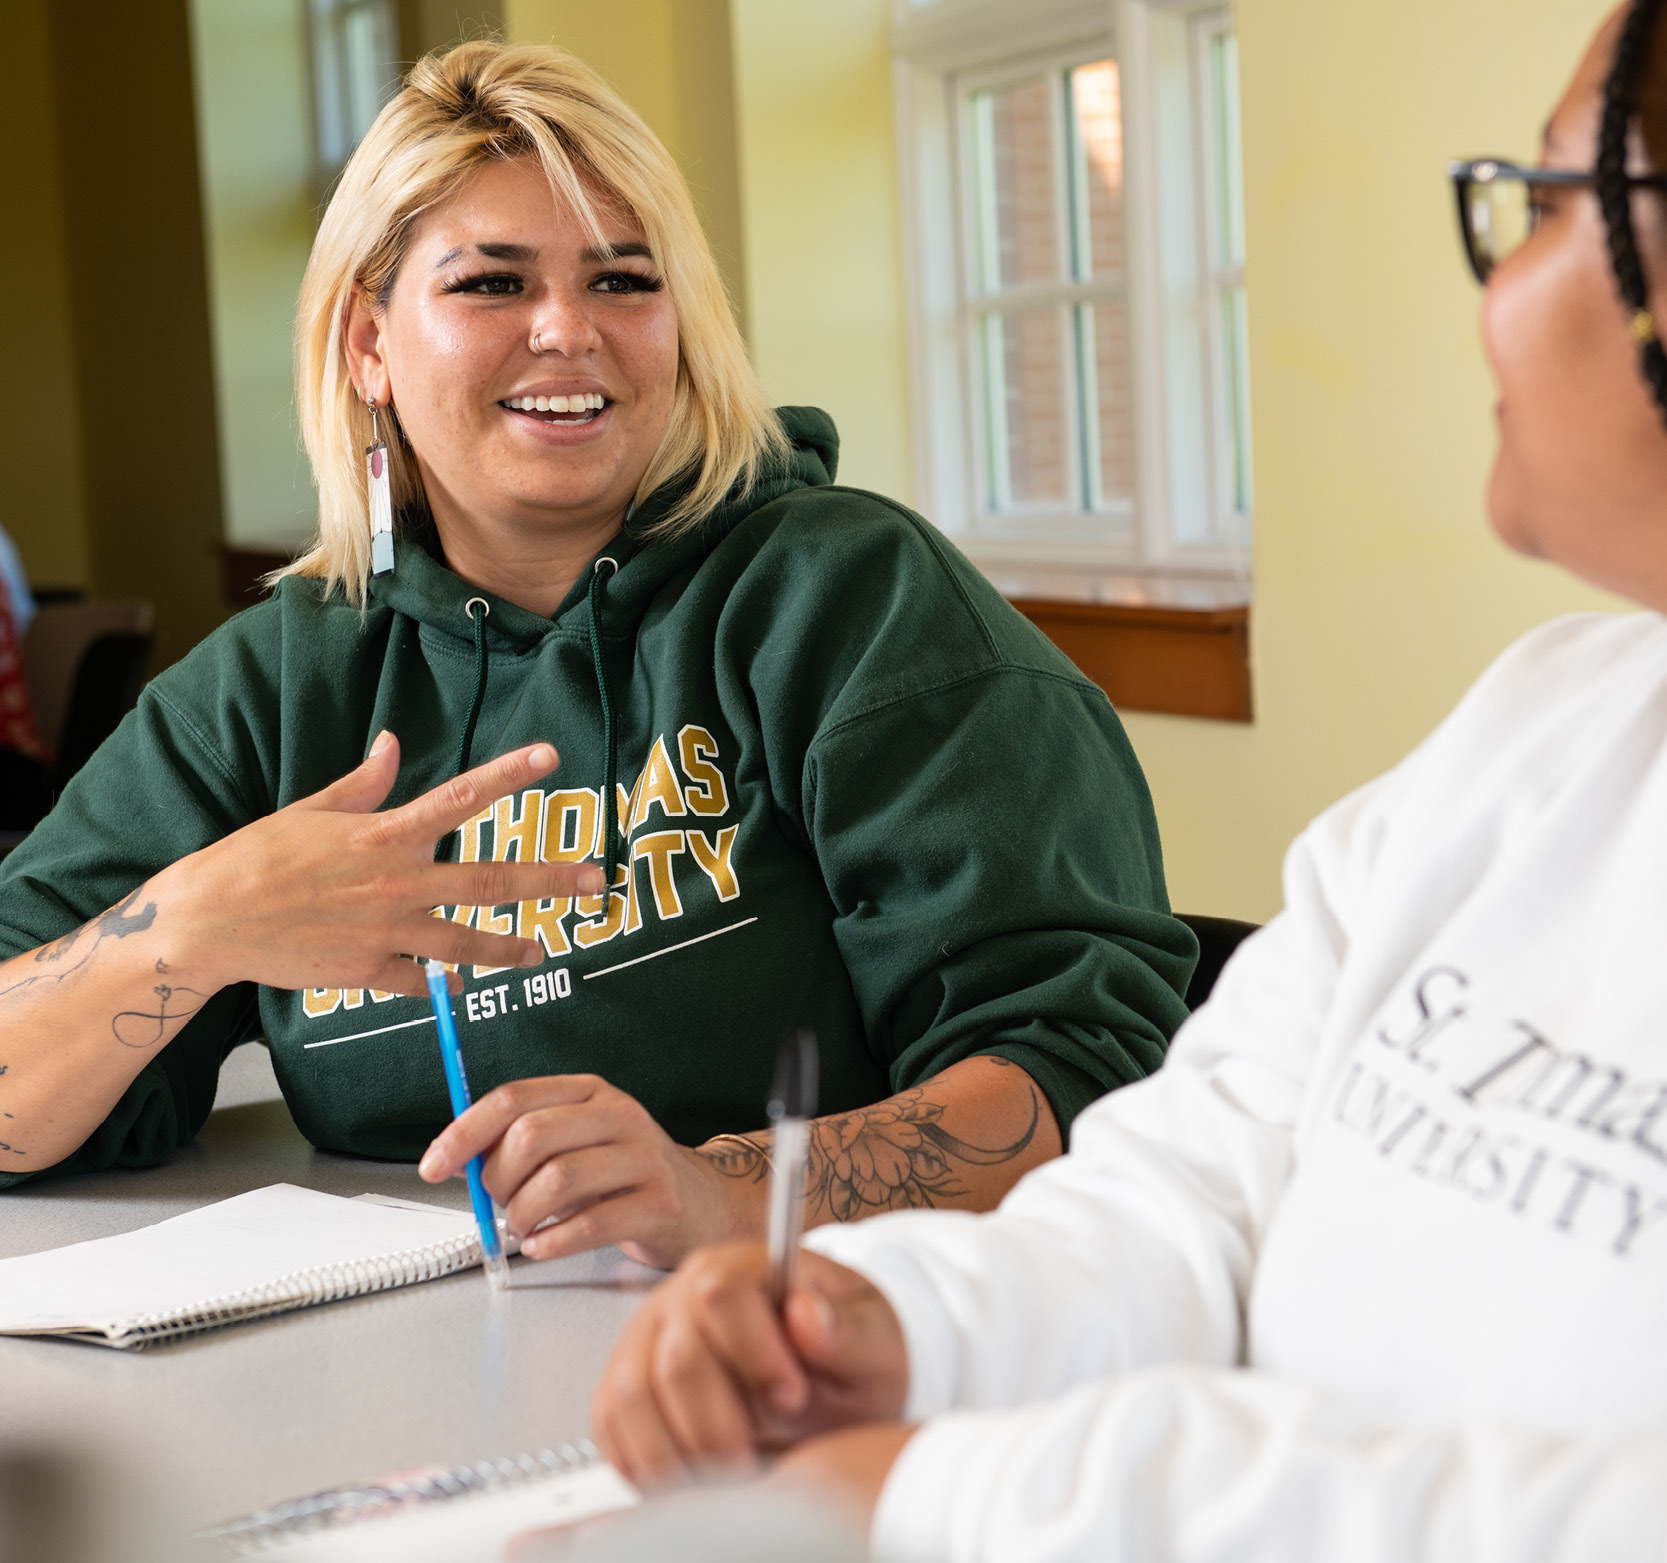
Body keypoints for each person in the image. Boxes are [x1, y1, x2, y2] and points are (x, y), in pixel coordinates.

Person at [592, 2, 1667, 1552]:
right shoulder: (1533, 727)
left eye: (1550, 195)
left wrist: (946, 1491)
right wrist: (882, 1324)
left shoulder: (849, 596)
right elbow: (1179, 1201)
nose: (1496, 276)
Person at [0, 43, 1195, 1270]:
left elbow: (1084, 1075)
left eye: (624, 280)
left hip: (822, 1337)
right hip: (407, 1371)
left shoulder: (849, 601)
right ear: (368, 343)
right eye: (490, 285)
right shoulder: (272, 689)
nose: (567, 332)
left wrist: (724, 1191)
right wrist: (185, 928)